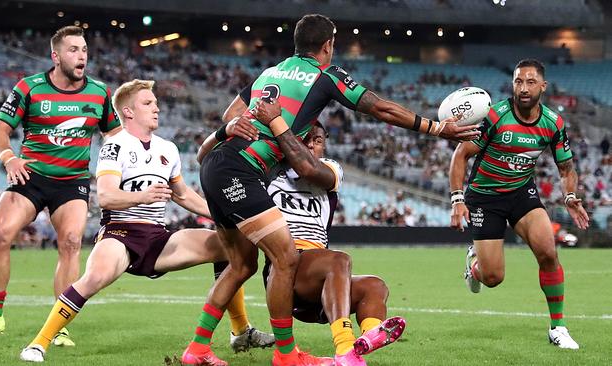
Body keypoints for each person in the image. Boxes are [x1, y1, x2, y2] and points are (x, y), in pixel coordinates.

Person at [181, 13, 479, 366]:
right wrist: (435, 128)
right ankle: (286, 355)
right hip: (241, 170)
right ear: (328, 46)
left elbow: (232, 113)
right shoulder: (324, 74)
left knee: (241, 264)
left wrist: (236, 127)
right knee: (286, 257)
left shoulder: (269, 73)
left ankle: (197, 349)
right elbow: (380, 108)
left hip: (215, 164)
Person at [18, 79, 270, 363]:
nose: (157, 108)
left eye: (156, 103)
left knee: (228, 246)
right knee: (94, 278)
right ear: (128, 112)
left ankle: (240, 331)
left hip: (158, 237)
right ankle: (38, 344)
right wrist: (144, 196)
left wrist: (226, 212)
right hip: (120, 234)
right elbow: (107, 197)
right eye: (148, 103)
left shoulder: (168, 148)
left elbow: (183, 194)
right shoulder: (115, 146)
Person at [202, 115, 406, 366]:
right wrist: (225, 131)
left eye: (318, 140)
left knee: (375, 286)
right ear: (291, 139)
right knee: (339, 260)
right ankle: (344, 346)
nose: (311, 145)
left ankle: (366, 339)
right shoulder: (267, 172)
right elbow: (208, 159)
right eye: (306, 139)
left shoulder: (331, 169)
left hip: (320, 278)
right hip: (285, 268)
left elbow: (309, 169)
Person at [0, 26, 122, 345]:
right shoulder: (29, 88)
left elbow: (116, 136)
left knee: (70, 242)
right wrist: (10, 158)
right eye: (73, 50)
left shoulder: (100, 92)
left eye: (84, 50)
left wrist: (115, 168)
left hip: (72, 182)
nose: (81, 56)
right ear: (56, 56)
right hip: (31, 177)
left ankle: (58, 324)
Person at [449, 59, 589, 349]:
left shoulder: (553, 123)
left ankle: (558, 328)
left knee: (548, 252)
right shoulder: (496, 116)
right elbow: (460, 155)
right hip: (486, 199)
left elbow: (566, 169)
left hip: (521, 193)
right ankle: (474, 267)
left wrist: (570, 196)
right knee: (493, 277)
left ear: (542, 86)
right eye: (518, 82)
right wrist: (457, 198)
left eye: (529, 82)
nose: (523, 88)